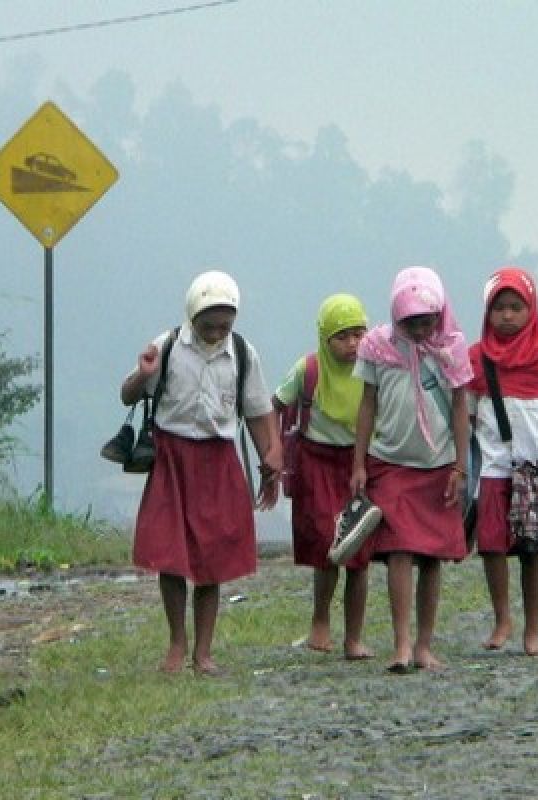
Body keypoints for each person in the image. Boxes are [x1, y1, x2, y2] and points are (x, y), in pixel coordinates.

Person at [120, 270, 281, 675]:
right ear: (192, 318)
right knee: (170, 555)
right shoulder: (168, 346)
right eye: (208, 326)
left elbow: (259, 413)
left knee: (213, 558)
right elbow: (128, 394)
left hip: (217, 460)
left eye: (224, 326)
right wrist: (143, 373)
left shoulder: (242, 354)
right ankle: (177, 643)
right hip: (172, 459)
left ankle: (203, 652)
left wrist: (272, 459)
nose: (216, 333)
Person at [350, 266, 472, 673]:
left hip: (437, 464)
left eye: (427, 321)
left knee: (432, 555)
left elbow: (459, 406)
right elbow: (367, 404)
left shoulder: (452, 349)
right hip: (391, 461)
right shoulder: (377, 347)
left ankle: (424, 645)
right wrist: (359, 463)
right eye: (411, 322)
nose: (420, 331)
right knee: (398, 550)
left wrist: (459, 463)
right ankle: (401, 644)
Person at [467, 266, 538, 656]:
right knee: (491, 545)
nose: (507, 315)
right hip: (494, 467)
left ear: (531, 309)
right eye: (499, 308)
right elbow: (464, 408)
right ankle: (502, 619)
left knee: (532, 550)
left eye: (516, 307)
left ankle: (532, 630)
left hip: (537, 468)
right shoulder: (477, 358)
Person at [273, 293, 373, 660]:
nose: (352, 344)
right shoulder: (308, 370)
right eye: (342, 336)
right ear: (325, 338)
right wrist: (272, 453)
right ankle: (320, 621)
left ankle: (354, 636)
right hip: (316, 462)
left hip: (358, 464)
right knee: (326, 544)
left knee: (359, 551)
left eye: (358, 334)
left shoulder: (373, 370)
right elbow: (276, 404)